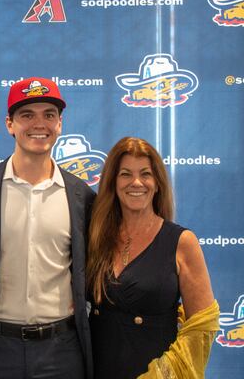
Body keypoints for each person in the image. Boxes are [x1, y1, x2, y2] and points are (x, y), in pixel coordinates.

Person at [0, 77, 95, 378]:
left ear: (60, 124)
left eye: (49, 115)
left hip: (61, 351)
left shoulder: (82, 196)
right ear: (10, 124)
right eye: (27, 115)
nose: (39, 123)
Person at [87, 137, 218, 379]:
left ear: (157, 183)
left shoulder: (182, 242)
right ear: (113, 183)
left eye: (145, 174)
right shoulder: (95, 236)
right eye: (125, 174)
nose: (136, 182)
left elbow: (202, 329)